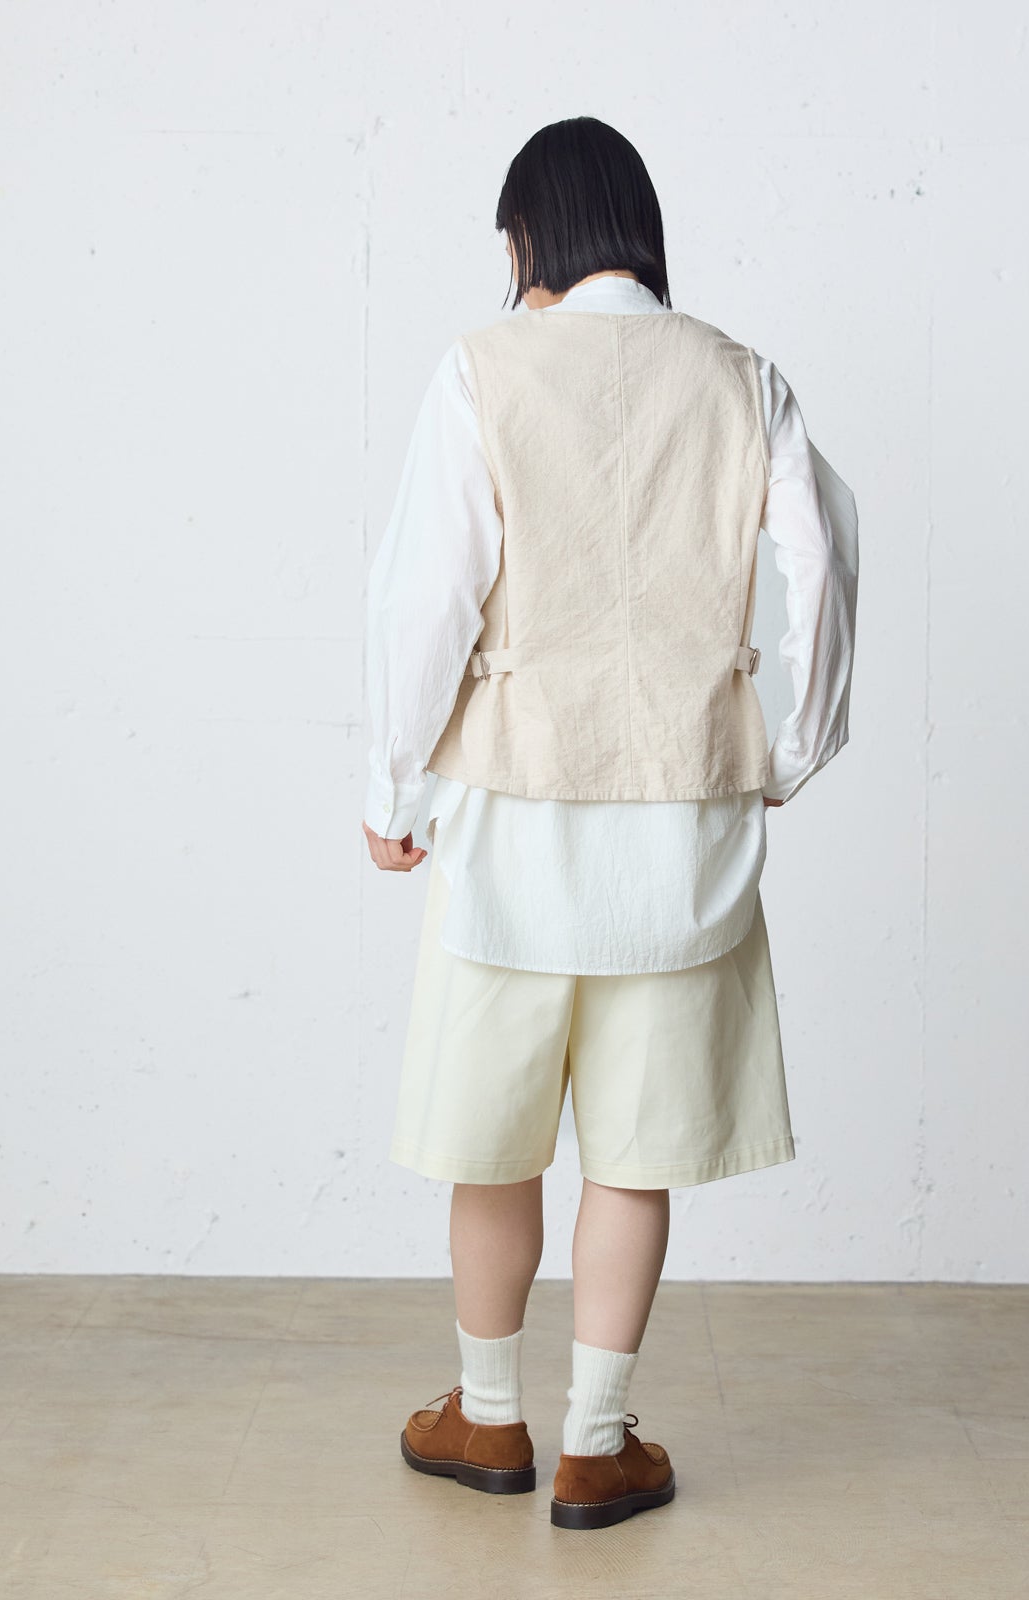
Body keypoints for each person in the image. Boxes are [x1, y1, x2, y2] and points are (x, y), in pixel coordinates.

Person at [362, 116, 858, 1531]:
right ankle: (596, 1442)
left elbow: (425, 598)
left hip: (511, 822)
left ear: (535, 234)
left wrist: (392, 789)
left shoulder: (483, 369)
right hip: (681, 828)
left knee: (493, 1136)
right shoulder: (742, 376)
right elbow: (823, 562)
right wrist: (793, 748)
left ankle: (488, 1417)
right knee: (634, 1150)